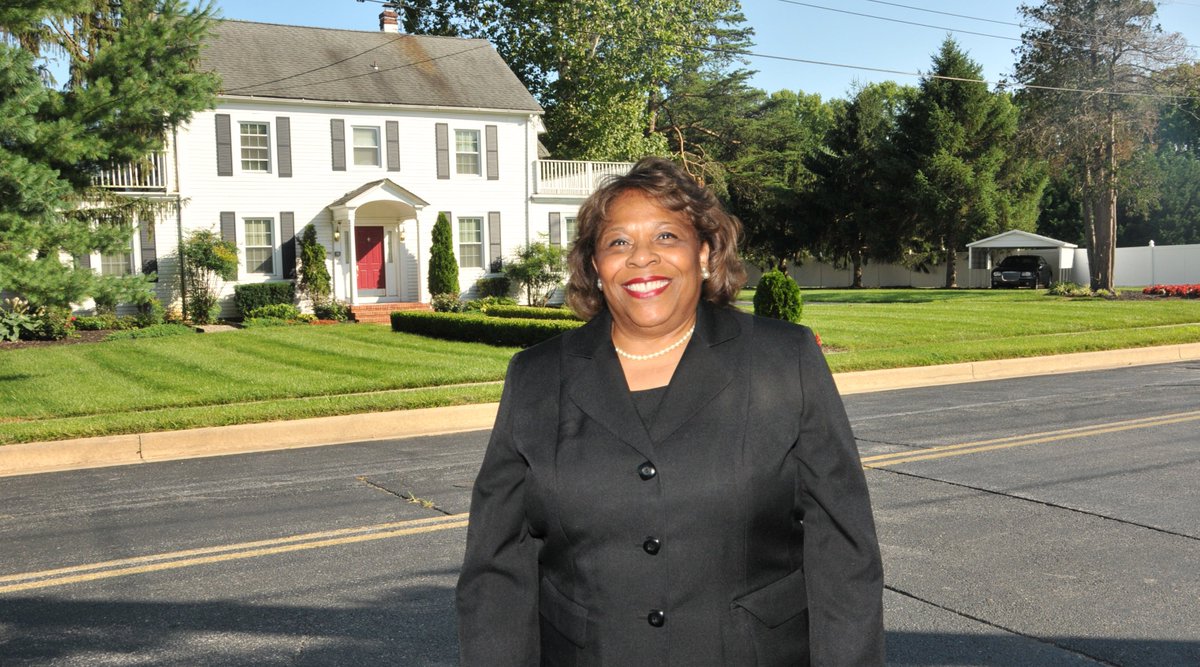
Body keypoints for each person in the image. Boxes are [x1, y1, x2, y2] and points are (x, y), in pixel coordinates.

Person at [457, 156, 884, 666]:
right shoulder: (537, 378)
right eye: (618, 242)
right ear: (595, 266)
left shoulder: (783, 360)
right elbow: (497, 568)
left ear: (704, 254)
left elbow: (842, 549)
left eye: (666, 237)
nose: (641, 258)